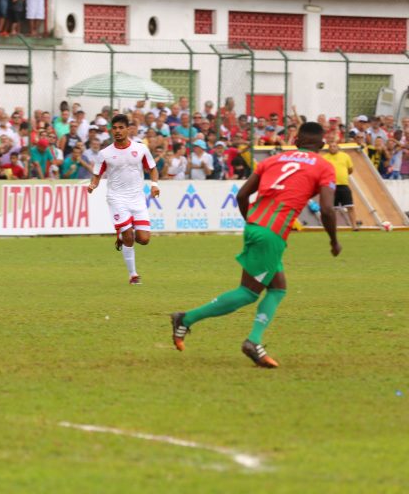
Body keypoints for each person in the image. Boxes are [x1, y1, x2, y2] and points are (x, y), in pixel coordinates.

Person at [171, 122, 341, 369]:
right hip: (271, 233)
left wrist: (253, 223)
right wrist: (333, 240)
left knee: (278, 287)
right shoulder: (325, 166)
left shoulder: (272, 160)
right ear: (323, 145)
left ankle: (246, 337)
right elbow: (326, 208)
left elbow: (241, 196)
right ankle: (191, 320)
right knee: (248, 293)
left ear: (295, 142)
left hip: (256, 226)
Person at [87, 114, 160, 285]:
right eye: (115, 128)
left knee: (143, 239)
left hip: (137, 199)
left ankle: (121, 234)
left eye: (121, 128)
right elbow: (97, 175)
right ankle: (133, 275)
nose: (118, 131)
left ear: (128, 129)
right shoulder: (105, 153)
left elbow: (153, 169)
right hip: (117, 198)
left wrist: (155, 185)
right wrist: (93, 185)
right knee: (129, 236)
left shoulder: (141, 149)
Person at [321, 139, 358, 231]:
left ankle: (354, 226)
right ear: (328, 148)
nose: (332, 148)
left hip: (343, 184)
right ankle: (333, 227)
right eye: (331, 146)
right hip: (331, 185)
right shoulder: (325, 158)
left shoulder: (345, 156)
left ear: (338, 147)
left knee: (350, 206)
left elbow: (350, 170)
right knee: (333, 208)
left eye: (334, 146)